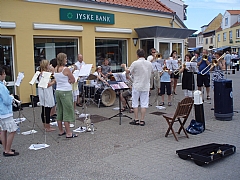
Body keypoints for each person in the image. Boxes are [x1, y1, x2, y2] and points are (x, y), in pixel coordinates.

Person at [121, 49, 152, 126]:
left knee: (135, 102)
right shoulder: (149, 63)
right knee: (144, 103)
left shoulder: (135, 63)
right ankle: (142, 120)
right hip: (145, 85)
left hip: (137, 85)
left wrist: (124, 66)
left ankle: (136, 119)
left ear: (137, 55)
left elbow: (127, 72)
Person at [54, 53, 78, 138]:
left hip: (58, 90)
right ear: (62, 59)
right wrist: (70, 80)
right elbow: (73, 79)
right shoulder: (66, 69)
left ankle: (61, 130)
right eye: (65, 58)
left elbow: (57, 80)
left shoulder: (55, 68)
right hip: (66, 91)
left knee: (60, 110)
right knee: (67, 110)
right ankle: (68, 133)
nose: (66, 59)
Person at [0, 66, 19, 156]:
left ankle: (5, 148)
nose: (5, 75)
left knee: (3, 130)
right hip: (5, 112)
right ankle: (7, 150)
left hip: (1, 112)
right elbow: (6, 101)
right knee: (13, 130)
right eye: (4, 73)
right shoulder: (1, 87)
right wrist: (11, 97)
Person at [38, 60, 56, 132]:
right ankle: (47, 126)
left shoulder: (43, 73)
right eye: (49, 64)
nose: (50, 65)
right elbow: (47, 85)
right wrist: (54, 81)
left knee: (44, 109)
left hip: (44, 92)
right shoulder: (44, 74)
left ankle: (45, 125)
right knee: (47, 110)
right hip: (46, 93)